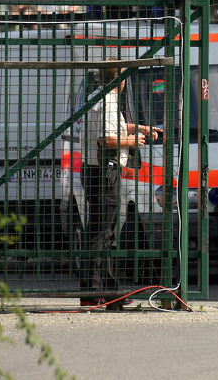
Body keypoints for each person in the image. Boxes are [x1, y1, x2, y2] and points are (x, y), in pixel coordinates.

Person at [80, 63, 162, 306]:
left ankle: (104, 289)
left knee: (102, 231)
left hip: (97, 171)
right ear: (122, 81)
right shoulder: (108, 101)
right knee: (103, 233)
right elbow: (106, 138)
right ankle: (97, 291)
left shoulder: (98, 96)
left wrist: (141, 128)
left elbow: (113, 128)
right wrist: (133, 141)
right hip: (105, 172)